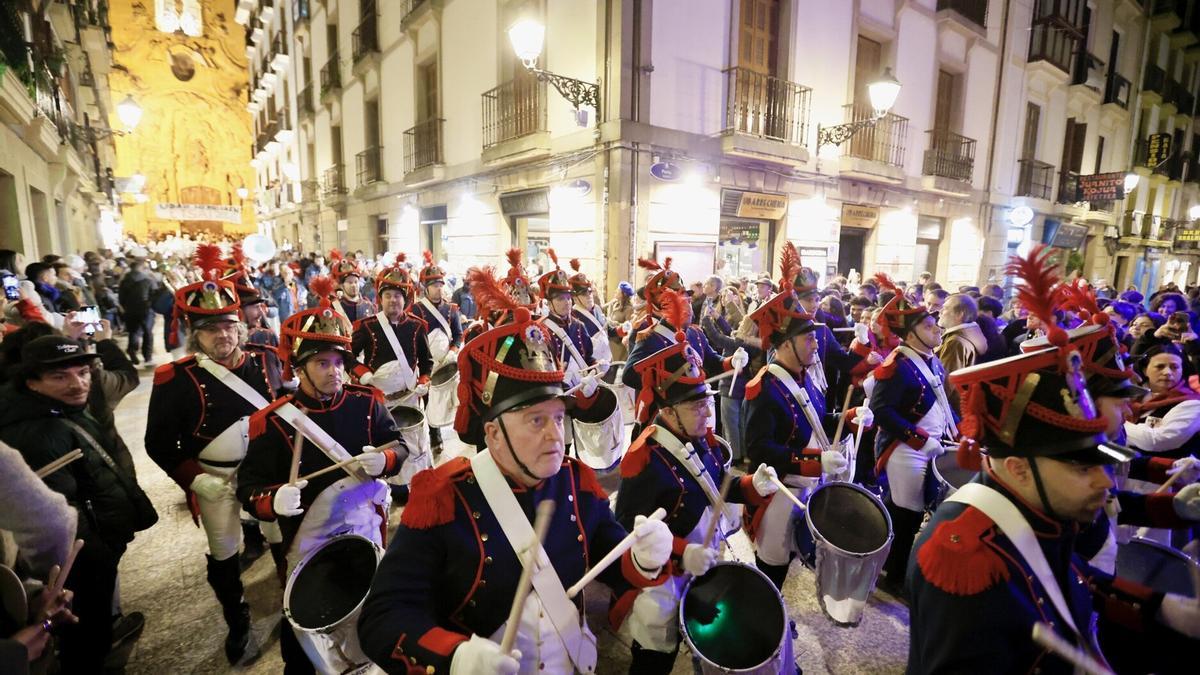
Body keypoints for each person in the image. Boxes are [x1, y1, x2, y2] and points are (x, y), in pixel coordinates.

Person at [909, 255, 1199, 671]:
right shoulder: (967, 559)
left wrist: (1167, 609)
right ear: (1018, 468)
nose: (1105, 482)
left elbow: (1072, 578)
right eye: (1083, 468)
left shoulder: (1042, 502)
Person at [356, 301, 674, 674]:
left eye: (558, 418)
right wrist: (453, 656)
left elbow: (612, 554)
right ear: (493, 433)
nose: (555, 435)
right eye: (536, 420)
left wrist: (642, 557)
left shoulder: (575, 482)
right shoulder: (443, 499)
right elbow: (382, 616)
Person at [237, 283, 408, 674]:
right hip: (305, 541)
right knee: (307, 628)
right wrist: (272, 499)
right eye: (322, 364)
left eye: (338, 362)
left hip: (366, 529)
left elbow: (399, 446)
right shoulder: (275, 422)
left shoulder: (366, 403)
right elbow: (248, 489)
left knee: (371, 606)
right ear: (299, 369)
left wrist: (385, 459)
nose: (334, 372)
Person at [145, 245, 286, 663]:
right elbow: (157, 443)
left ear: (240, 327)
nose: (221, 336)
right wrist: (193, 478)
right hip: (214, 478)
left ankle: (290, 595)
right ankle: (236, 617)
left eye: (227, 326)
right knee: (224, 552)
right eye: (210, 330)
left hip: (267, 473)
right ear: (196, 334)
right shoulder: (174, 378)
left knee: (282, 537)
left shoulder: (266, 361)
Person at [613, 337, 779, 671]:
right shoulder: (644, 460)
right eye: (696, 406)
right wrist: (680, 551)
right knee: (656, 655)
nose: (707, 412)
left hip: (703, 565)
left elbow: (718, 487)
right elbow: (625, 533)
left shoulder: (701, 438)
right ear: (668, 411)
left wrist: (752, 486)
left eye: (707, 403)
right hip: (662, 579)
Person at [0, 335, 157, 672]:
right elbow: (54, 516)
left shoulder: (56, 410)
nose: (78, 384)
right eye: (60, 376)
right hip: (81, 560)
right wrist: (99, 553)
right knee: (85, 636)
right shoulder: (39, 434)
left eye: (83, 372)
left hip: (94, 543)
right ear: (32, 382)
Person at [742, 286, 871, 589]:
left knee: (789, 562)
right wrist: (815, 461)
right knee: (771, 569)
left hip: (806, 488)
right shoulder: (764, 388)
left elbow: (816, 423)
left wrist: (849, 418)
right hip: (779, 495)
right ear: (786, 344)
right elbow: (759, 450)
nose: (816, 345)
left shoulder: (805, 378)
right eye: (809, 339)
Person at [868, 272, 956, 597]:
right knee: (907, 513)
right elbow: (881, 411)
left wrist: (955, 431)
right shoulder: (897, 364)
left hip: (930, 445)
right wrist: (921, 439)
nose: (937, 329)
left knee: (911, 512)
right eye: (930, 326)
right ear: (912, 333)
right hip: (904, 449)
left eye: (936, 324)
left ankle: (895, 567)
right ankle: (893, 576)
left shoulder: (931, 361)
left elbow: (941, 402)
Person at [350, 260, 433, 493]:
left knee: (415, 443)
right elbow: (347, 356)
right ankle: (389, 488)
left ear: (404, 299)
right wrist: (363, 374)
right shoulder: (366, 327)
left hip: (409, 397)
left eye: (397, 295)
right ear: (380, 298)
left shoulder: (417, 327)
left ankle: (415, 484)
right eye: (388, 295)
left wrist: (425, 381)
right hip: (380, 400)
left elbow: (427, 362)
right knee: (385, 443)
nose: (393, 300)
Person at [410, 252, 464, 456]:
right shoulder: (415, 309)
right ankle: (435, 434)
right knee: (429, 400)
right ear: (426, 287)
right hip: (426, 362)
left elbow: (458, 335)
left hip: (447, 361)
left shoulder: (451, 309)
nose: (438, 288)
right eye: (434, 285)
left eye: (440, 284)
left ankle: (451, 425)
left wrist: (452, 351)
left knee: (449, 397)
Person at [536, 250, 597, 390]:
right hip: (557, 390)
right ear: (549, 303)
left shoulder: (579, 325)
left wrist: (598, 365)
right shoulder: (542, 329)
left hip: (583, 389)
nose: (566, 302)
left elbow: (588, 358)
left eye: (568, 298)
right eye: (560, 298)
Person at [117, 260, 157, 365]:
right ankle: (147, 357)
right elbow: (154, 294)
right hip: (146, 309)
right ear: (142, 268)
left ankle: (132, 349)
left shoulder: (125, 280)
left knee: (133, 331)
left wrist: (126, 307)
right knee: (148, 332)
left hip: (130, 310)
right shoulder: (148, 280)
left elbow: (121, 297)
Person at [329, 255, 375, 322]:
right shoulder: (335, 306)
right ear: (341, 285)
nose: (354, 285)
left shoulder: (369, 305)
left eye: (356, 282)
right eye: (350, 282)